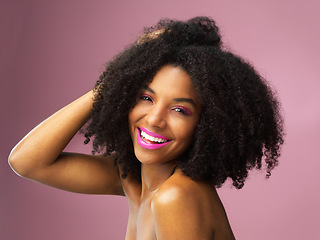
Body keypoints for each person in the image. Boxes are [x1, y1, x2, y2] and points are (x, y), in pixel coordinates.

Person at [8, 16, 284, 240]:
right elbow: (27, 162)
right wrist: (111, 83)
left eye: (180, 110)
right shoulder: (133, 178)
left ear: (208, 125)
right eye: (146, 97)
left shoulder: (175, 197)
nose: (153, 119)